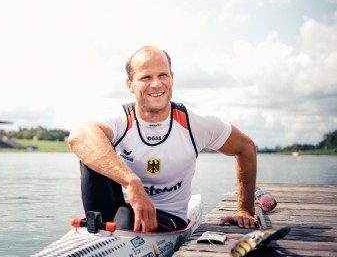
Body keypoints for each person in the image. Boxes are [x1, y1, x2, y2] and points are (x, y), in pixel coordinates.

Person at [67, 46, 258, 233]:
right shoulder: (122, 118)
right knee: (92, 149)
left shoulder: (195, 123)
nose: (156, 84)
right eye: (146, 77)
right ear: (130, 85)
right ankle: (98, 229)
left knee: (126, 217)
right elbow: (79, 136)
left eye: (163, 75)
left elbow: (246, 148)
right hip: (122, 208)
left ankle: (106, 232)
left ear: (172, 78)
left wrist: (245, 209)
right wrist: (132, 182)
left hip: (169, 217)